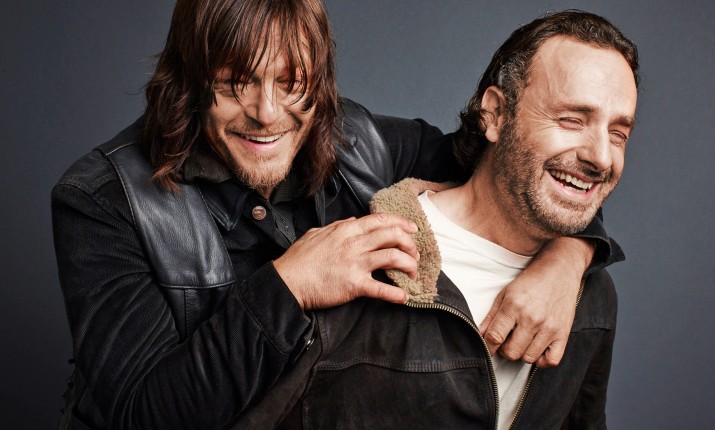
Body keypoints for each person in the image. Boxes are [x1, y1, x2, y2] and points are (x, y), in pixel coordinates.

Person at [51, 1, 620, 429]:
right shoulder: (104, 199)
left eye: (291, 83)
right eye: (235, 82)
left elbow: (521, 167)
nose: (267, 113)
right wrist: (290, 285)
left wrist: (568, 257)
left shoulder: (361, 144)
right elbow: (140, 414)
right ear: (191, 80)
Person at [241, 9, 637, 429]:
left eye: (618, 134)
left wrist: (571, 257)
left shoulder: (592, 298)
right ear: (495, 114)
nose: (601, 156)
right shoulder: (357, 262)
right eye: (572, 120)